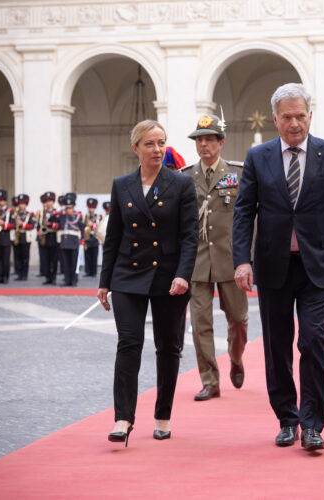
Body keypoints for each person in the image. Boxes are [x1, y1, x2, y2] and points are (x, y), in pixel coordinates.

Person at [232, 83, 324, 451]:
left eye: (300, 116)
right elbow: (243, 213)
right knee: (277, 346)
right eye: (286, 117)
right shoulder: (258, 157)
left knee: (314, 339)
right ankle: (287, 418)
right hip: (273, 266)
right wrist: (242, 260)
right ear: (275, 119)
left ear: (310, 116)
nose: (294, 123)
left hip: (317, 265)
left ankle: (313, 423)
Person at [98, 119, 198, 445]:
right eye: (150, 144)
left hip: (169, 276)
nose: (158, 150)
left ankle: (163, 415)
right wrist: (104, 281)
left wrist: (183, 274)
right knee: (128, 343)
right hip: (128, 275)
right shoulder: (122, 184)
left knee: (168, 347)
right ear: (136, 148)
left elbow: (189, 237)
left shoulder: (180, 185)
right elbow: (113, 237)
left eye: (161, 143)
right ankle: (122, 418)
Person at [184, 115, 249, 401]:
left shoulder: (237, 173)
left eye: (209, 139)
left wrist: (248, 258)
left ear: (221, 143)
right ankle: (210, 380)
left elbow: (249, 219)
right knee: (200, 324)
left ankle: (236, 357)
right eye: (199, 139)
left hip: (230, 259)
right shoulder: (186, 176)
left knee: (238, 320)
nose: (204, 144)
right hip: (197, 261)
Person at [57, 195, 84, 287]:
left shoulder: (78, 217)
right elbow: (52, 220)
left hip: (74, 243)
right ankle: (67, 280)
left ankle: (74, 280)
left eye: (70, 208)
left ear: (73, 208)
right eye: (67, 208)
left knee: (74, 263)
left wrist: (82, 240)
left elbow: (83, 229)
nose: (69, 210)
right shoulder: (61, 217)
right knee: (65, 263)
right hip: (64, 243)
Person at [38, 192, 60, 285]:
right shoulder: (41, 213)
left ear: (53, 202)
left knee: (54, 260)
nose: (48, 203)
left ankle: (53, 277)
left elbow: (60, 225)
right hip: (44, 238)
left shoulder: (57, 213)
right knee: (45, 259)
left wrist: (50, 224)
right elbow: (37, 226)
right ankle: (47, 277)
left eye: (50, 201)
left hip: (53, 237)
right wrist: (39, 233)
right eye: (46, 201)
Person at [13, 194, 35, 281]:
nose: (21, 205)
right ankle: (18, 273)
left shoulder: (30, 214)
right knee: (17, 256)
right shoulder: (14, 214)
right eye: (19, 203)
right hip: (16, 235)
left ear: (26, 204)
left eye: (23, 203)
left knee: (25, 256)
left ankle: (24, 274)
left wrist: (22, 224)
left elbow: (32, 225)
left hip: (25, 236)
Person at [83, 198, 101, 277]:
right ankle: (87, 271)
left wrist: (92, 225)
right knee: (87, 256)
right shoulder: (85, 217)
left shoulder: (98, 217)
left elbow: (99, 227)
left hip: (94, 238)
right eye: (90, 208)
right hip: (87, 238)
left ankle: (93, 272)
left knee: (94, 256)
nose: (91, 209)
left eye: (92, 208)